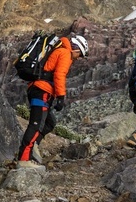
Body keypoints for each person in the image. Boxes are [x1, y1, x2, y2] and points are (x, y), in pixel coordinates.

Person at [16, 34, 89, 163]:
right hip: (42, 91)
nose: (79, 58)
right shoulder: (65, 53)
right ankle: (24, 160)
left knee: (50, 123)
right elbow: (59, 75)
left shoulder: (59, 49)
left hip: (38, 89)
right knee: (36, 125)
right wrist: (61, 96)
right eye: (80, 55)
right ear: (76, 49)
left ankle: (33, 149)